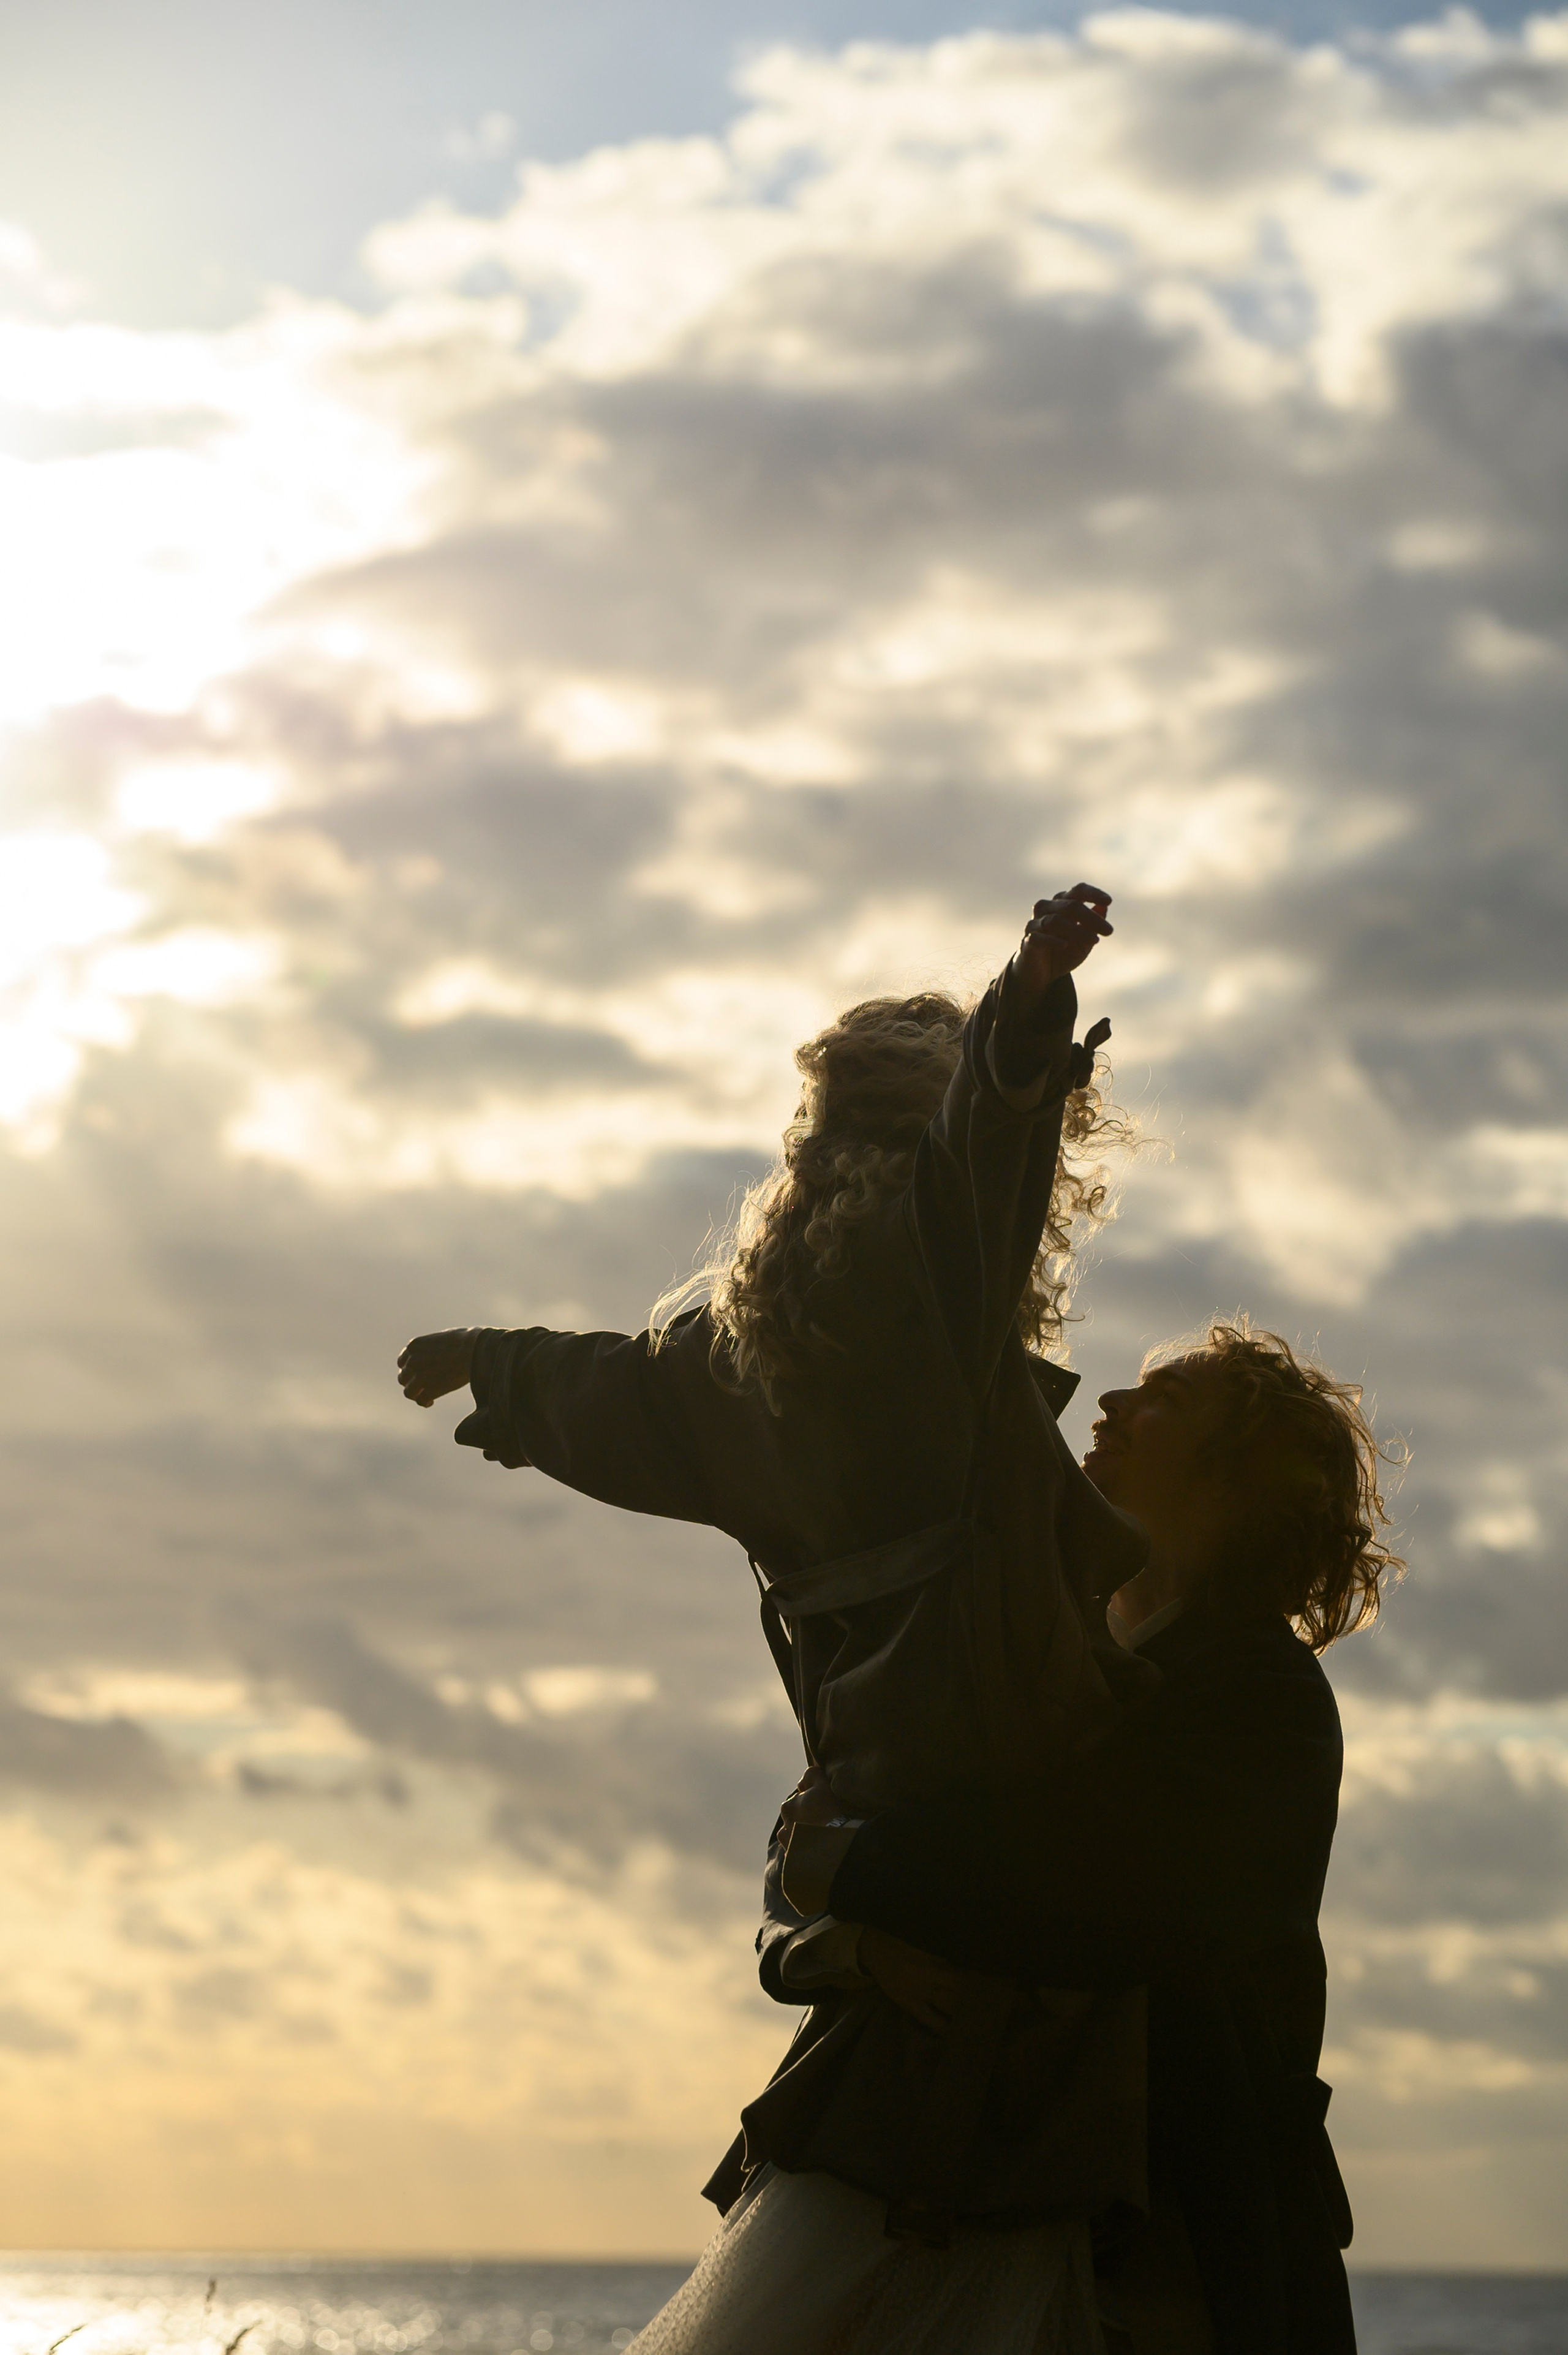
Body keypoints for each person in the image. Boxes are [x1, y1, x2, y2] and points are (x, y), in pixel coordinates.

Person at [398, 886, 1160, 2346]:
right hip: (1014, 1762)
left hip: (871, 1797)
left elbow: (614, 1387)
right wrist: (1026, 1007)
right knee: (1008, 2202)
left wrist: (498, 1368)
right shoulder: (931, 1274)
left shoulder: (739, 1346)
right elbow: (981, 1147)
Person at [775, 1319, 1404, 2355]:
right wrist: (841, 1944)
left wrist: (855, 1868)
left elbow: (1104, 1909)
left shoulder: (1265, 1697)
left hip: (1179, 2247)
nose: (1108, 1405)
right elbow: (821, 1812)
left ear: (1239, 1475)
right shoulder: (1035, 1652)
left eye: (1167, 1398)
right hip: (959, 2205)